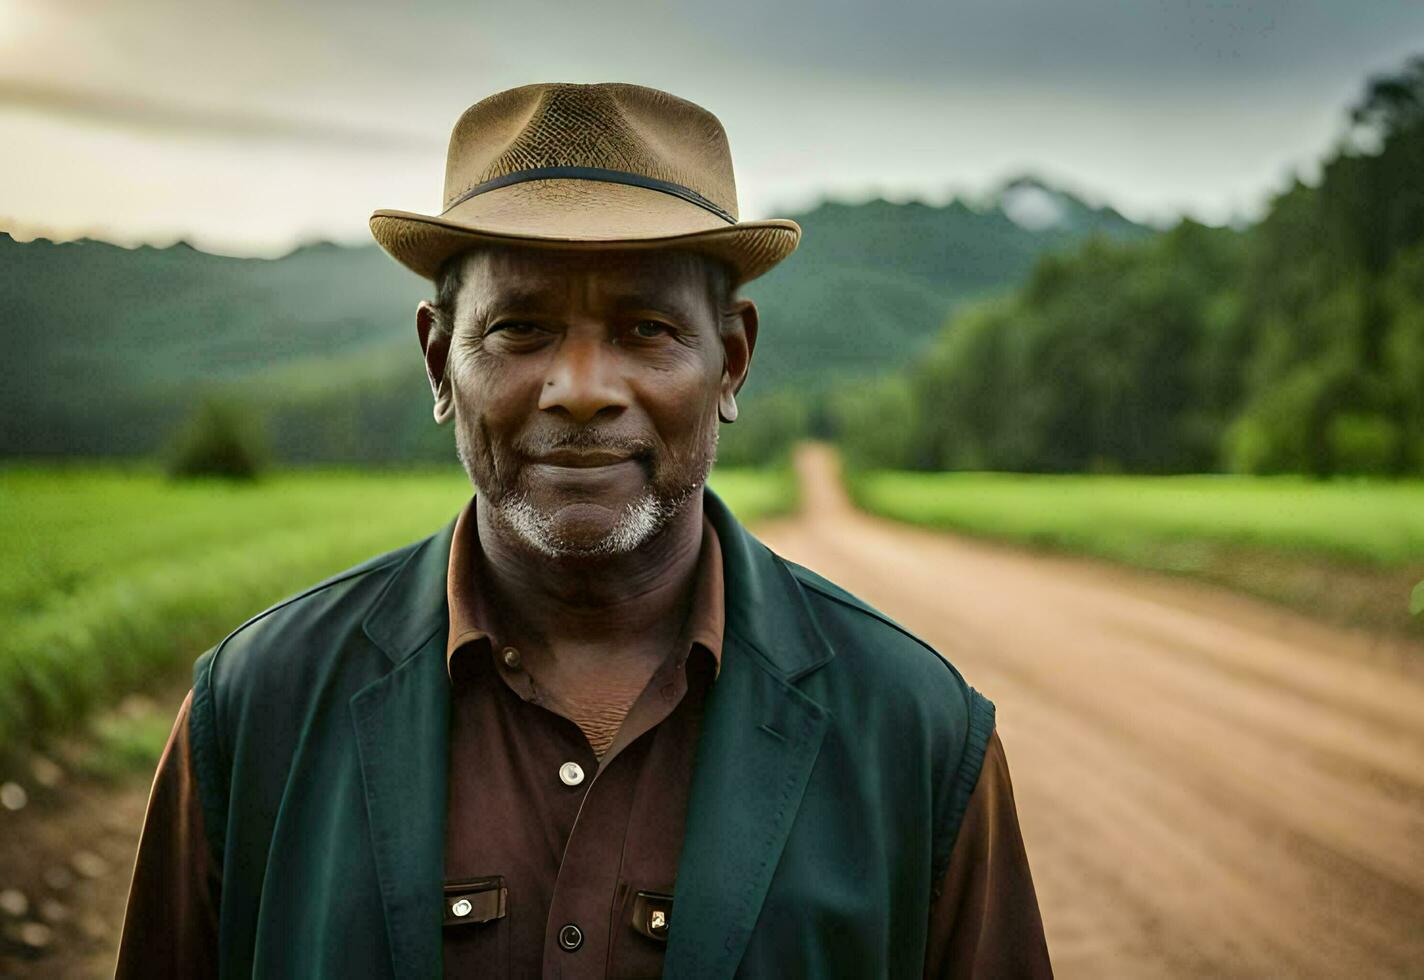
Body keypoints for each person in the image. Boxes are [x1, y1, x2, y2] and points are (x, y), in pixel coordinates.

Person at [116, 81, 1051, 978]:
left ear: (730, 363)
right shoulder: (256, 709)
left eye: (645, 329)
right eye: (520, 329)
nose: (583, 390)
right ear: (441, 363)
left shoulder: (916, 733)